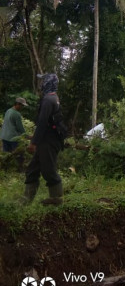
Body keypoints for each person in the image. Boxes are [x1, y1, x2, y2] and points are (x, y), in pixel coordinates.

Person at [23, 74, 64, 206]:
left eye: (43, 81)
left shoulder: (48, 99)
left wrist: (33, 143)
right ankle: (25, 201)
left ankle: (57, 200)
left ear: (47, 83)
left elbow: (42, 123)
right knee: (33, 169)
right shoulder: (53, 98)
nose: (41, 83)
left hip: (48, 141)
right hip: (47, 139)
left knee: (49, 170)